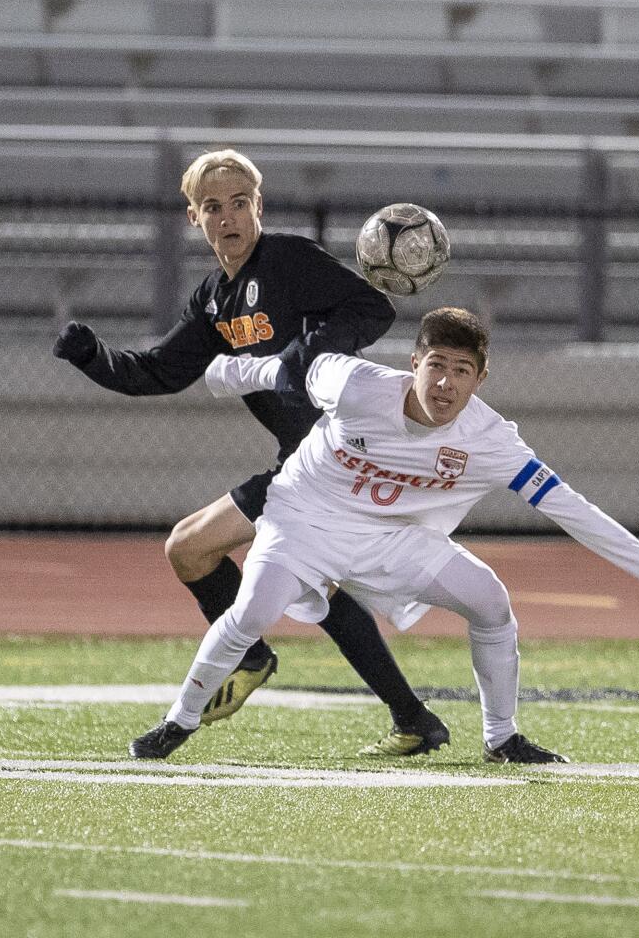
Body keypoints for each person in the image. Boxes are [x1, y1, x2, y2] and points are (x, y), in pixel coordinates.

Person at [129, 307, 639, 762]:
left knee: (491, 601)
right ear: (414, 362)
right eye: (437, 365)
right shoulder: (354, 383)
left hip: (392, 538)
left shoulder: (493, 440)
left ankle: (502, 738)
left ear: (480, 378)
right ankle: (178, 720)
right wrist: (226, 372)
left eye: (462, 370)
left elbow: (573, 510)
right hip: (304, 518)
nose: (446, 383)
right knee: (253, 610)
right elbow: (286, 368)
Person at [53, 148, 450, 757]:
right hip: (302, 464)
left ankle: (260, 663)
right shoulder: (214, 298)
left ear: (258, 206)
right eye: (213, 206)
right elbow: (157, 372)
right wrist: (94, 358)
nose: (229, 216)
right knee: (203, 554)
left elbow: (372, 309)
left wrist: (306, 357)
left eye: (240, 202)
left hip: (340, 455)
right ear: (194, 217)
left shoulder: (287, 259)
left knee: (252, 564)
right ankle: (408, 715)